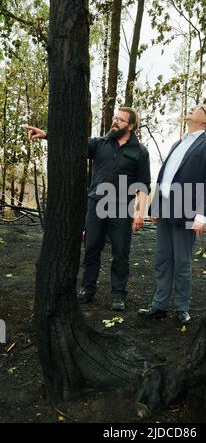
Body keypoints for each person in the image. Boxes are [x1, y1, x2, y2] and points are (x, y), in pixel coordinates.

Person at [25, 107, 151, 311]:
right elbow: (72, 143)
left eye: (120, 119)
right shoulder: (100, 144)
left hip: (121, 208)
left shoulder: (140, 152)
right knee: (91, 248)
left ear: (130, 125)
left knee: (120, 253)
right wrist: (47, 135)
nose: (115, 122)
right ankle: (87, 288)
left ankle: (118, 295)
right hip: (96, 205)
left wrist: (139, 212)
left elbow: (143, 185)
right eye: (115, 118)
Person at [138, 104, 206, 324]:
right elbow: (166, 175)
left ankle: (182, 308)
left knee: (182, 262)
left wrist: (202, 216)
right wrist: (155, 206)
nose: (192, 109)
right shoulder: (178, 143)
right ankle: (159, 306)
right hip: (165, 209)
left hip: (188, 211)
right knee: (162, 259)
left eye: (199, 108)